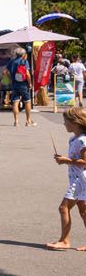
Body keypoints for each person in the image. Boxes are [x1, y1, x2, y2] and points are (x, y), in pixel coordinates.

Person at [46, 106, 86, 250]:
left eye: (66, 121)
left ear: (76, 122)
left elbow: (85, 162)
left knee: (63, 207)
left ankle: (64, 240)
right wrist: (64, 159)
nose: (64, 124)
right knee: (83, 211)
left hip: (80, 179)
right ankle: (64, 240)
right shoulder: (74, 139)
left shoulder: (82, 141)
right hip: (77, 178)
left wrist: (66, 161)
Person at [7, 47, 35, 127]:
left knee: (15, 102)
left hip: (14, 84)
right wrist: (30, 83)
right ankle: (28, 121)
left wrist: (11, 78)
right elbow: (27, 74)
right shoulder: (24, 61)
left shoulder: (12, 62)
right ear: (23, 54)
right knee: (27, 101)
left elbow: (5, 72)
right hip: (23, 84)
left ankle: (16, 121)